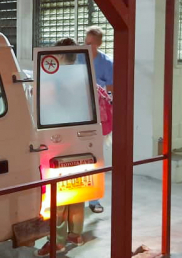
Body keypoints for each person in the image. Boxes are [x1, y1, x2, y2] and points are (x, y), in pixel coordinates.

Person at [34, 37, 85, 257]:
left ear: (62, 56)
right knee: (78, 189)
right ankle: (75, 234)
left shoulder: (53, 80)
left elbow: (46, 110)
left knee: (57, 194)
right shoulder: (84, 77)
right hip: (81, 141)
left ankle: (57, 241)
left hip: (58, 142)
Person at [85, 25, 113, 214]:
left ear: (100, 44)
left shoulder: (106, 63)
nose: (88, 47)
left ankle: (94, 200)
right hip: (79, 114)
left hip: (98, 116)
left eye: (92, 44)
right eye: (86, 42)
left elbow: (111, 91)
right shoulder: (78, 59)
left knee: (96, 158)